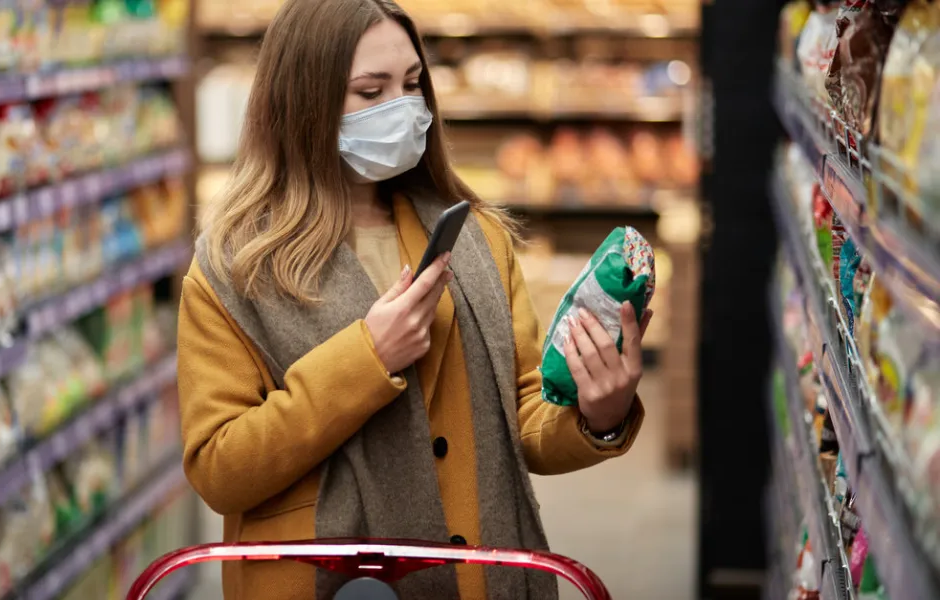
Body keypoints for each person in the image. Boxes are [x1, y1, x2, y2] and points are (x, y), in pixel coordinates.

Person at [177, 0, 652, 598]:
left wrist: (597, 414)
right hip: (326, 582)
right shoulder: (232, 269)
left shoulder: (477, 238)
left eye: (410, 85)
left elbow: (524, 412)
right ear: (302, 104)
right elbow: (220, 468)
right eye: (370, 92)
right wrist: (366, 359)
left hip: (477, 576)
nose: (401, 109)